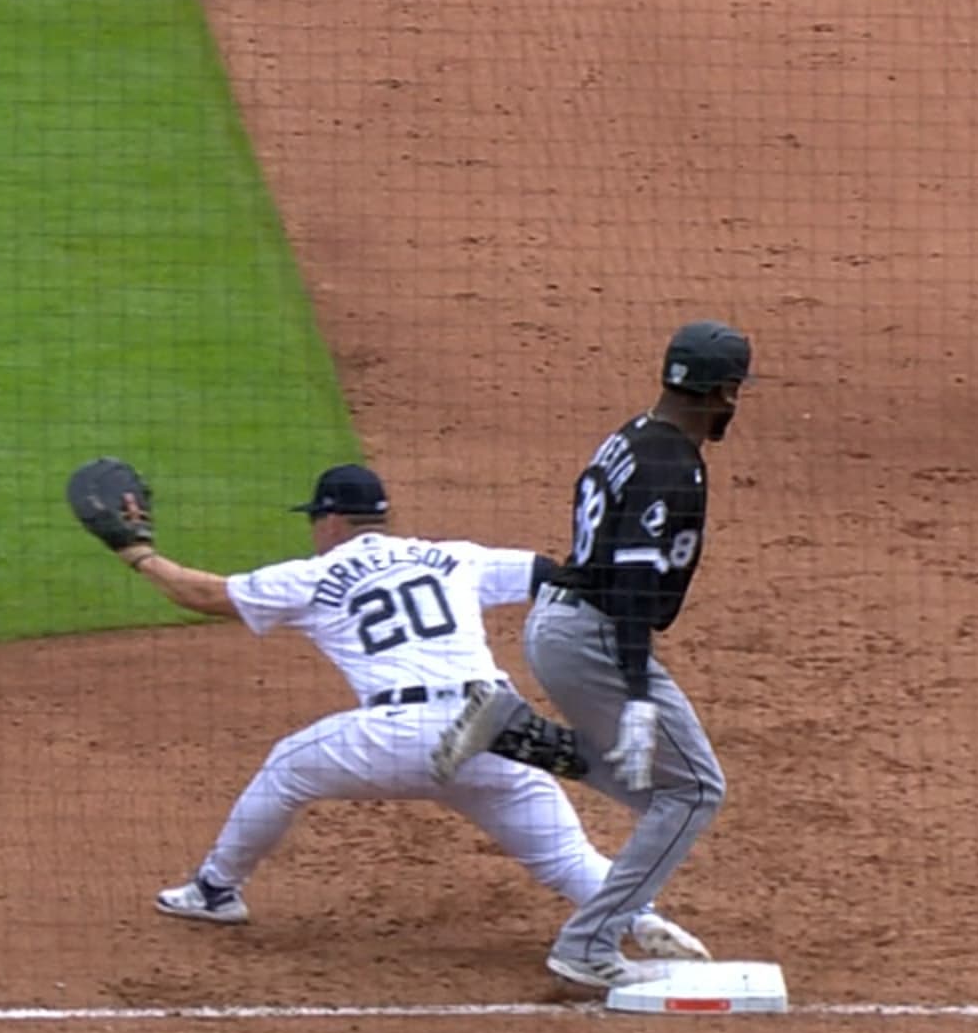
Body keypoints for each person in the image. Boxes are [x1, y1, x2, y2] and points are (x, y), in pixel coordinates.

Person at [111, 462, 710, 965]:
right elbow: (547, 573)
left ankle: (215, 890)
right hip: (496, 724)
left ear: (332, 520)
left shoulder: (315, 575)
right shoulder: (453, 557)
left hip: (400, 736)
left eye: (316, 520)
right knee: (564, 855)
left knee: (287, 766)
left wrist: (137, 552)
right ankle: (640, 918)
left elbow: (204, 594)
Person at [431, 320, 750, 988]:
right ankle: (589, 943)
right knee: (695, 790)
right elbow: (633, 585)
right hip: (597, 634)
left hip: (559, 623)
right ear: (725, 392)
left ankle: (515, 732)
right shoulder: (672, 465)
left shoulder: (631, 437)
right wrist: (637, 692)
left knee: (658, 787)